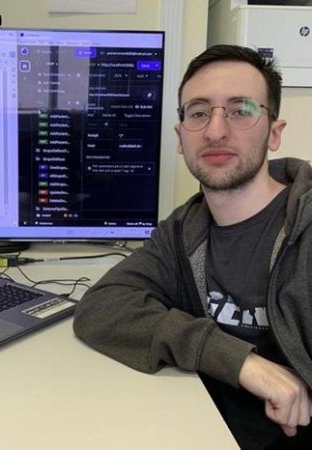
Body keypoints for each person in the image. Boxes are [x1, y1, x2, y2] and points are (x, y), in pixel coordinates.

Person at [73, 44, 312, 450]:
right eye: (199, 113)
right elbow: (100, 307)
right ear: (181, 137)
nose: (216, 131)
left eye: (240, 110)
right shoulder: (183, 230)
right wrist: (240, 362)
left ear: (274, 132)